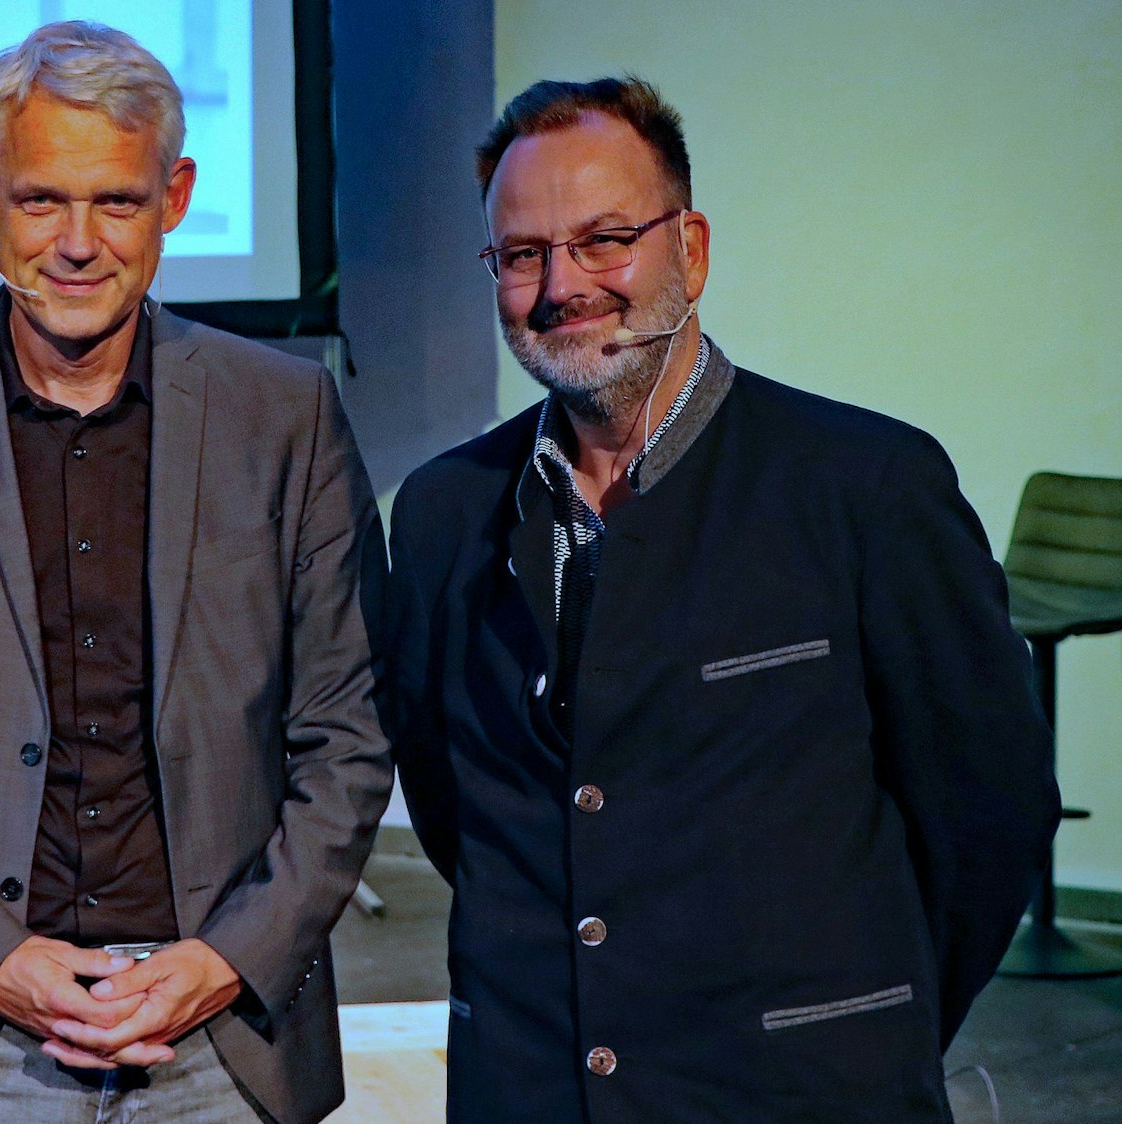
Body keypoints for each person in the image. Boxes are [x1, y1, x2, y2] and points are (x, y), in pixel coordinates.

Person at [383, 76, 1060, 1123]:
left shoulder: (866, 487)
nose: (561, 284)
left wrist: (865, 1029)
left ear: (689, 250)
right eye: (522, 254)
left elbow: (988, 810)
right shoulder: (439, 514)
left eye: (605, 239)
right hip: (529, 1091)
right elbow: (449, 805)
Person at [0, 21, 390, 1124]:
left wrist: (223, 957)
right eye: (39, 200)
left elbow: (346, 730)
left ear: (174, 196)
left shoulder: (283, 414)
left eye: (115, 200)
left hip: (221, 1027)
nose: (77, 241)